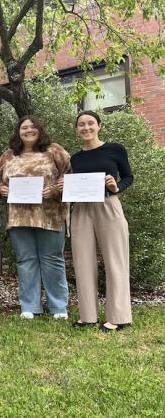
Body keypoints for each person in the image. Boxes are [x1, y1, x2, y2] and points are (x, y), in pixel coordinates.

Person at [59, 110, 133, 332]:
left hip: (108, 205)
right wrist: (65, 187)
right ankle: (87, 315)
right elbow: (74, 184)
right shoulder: (75, 158)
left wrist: (116, 186)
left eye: (91, 123)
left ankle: (119, 317)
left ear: (99, 125)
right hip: (81, 209)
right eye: (81, 124)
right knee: (82, 261)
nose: (86, 127)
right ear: (76, 129)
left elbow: (129, 176)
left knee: (115, 260)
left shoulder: (115, 149)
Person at [0, 115, 70, 320]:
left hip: (50, 215)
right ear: (18, 132)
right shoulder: (8, 155)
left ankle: (58, 306)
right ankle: (30, 306)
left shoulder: (54, 150)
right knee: (25, 260)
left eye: (32, 127)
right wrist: (1, 188)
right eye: (23, 128)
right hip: (18, 217)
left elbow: (69, 175)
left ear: (39, 129)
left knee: (53, 259)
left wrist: (55, 190)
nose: (28, 130)